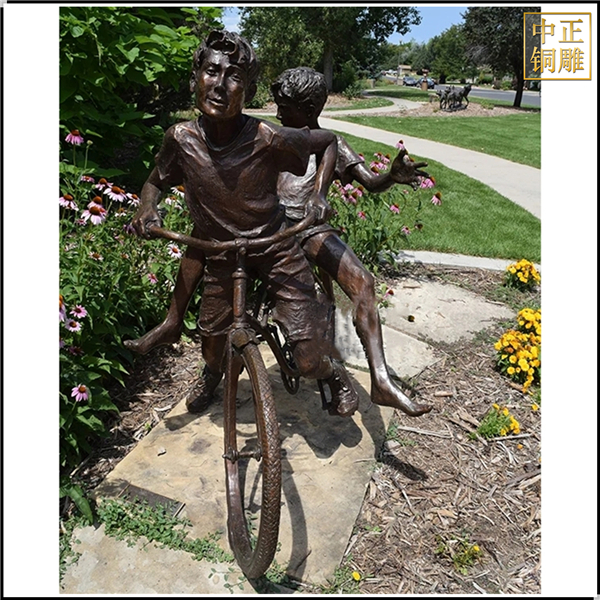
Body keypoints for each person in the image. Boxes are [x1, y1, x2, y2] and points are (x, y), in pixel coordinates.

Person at [128, 60, 433, 417]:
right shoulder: (264, 136)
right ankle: (196, 351)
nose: (277, 112)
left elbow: (367, 179)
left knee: (361, 281)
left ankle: (376, 378)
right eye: (278, 105)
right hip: (260, 227)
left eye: (285, 107)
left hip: (306, 230)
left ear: (310, 108)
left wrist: (388, 178)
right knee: (204, 234)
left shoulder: (316, 142)